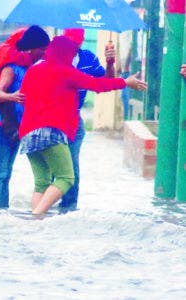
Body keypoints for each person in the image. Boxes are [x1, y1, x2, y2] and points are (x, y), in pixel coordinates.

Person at [18, 35, 147, 215]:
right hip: (51, 131)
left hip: (27, 133)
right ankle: (36, 215)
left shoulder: (34, 70)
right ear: (66, 54)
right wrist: (125, 82)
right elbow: (97, 84)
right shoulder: (67, 72)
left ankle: (36, 224)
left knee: (41, 183)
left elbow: (23, 97)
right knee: (66, 178)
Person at [0, 25, 50, 208]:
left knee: (6, 171)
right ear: (31, 48)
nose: (44, 53)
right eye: (42, 49)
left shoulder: (30, 67)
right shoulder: (11, 67)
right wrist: (12, 97)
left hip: (15, 126)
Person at [56, 28, 116, 214]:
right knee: (53, 165)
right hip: (52, 118)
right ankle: (44, 207)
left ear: (81, 42)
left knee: (71, 164)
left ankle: (68, 208)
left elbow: (107, 81)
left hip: (74, 120)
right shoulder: (52, 58)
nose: (73, 46)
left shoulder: (87, 59)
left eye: (76, 42)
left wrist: (110, 62)